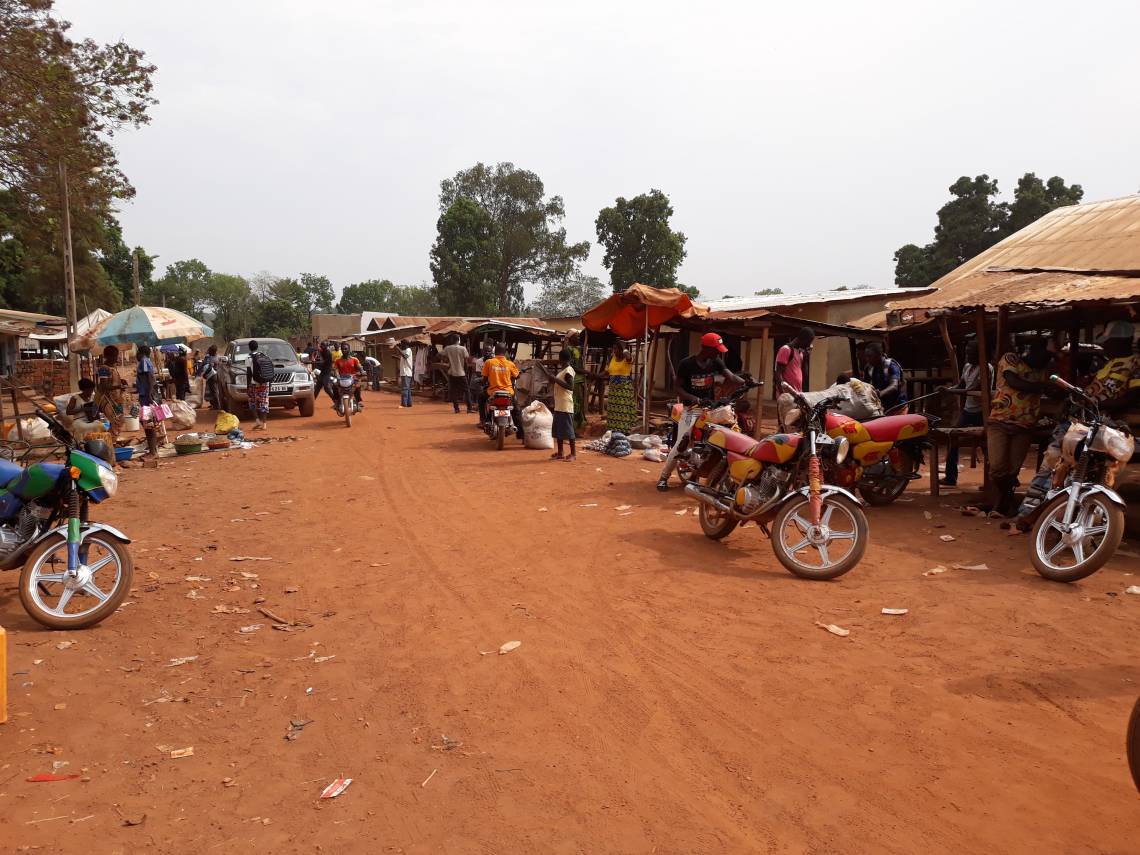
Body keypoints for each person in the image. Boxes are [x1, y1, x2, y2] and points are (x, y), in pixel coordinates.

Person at [1017, 322, 1140, 525]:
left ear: (1122, 340)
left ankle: (1075, 520)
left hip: (1104, 424)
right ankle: (1030, 512)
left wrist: (1101, 405)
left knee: (1092, 473)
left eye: (1109, 341)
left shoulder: (1135, 364)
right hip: (1080, 420)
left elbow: (1132, 396)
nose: (1106, 346)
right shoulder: (1106, 364)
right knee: (1053, 461)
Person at [986, 338, 1053, 516]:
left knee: (1012, 470)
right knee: (997, 468)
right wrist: (1043, 387)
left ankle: (1002, 504)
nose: (1047, 360)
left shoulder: (1042, 371)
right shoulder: (1010, 359)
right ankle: (1006, 500)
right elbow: (1014, 382)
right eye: (1046, 355)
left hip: (1024, 425)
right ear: (1034, 350)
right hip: (1000, 421)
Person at [940, 339, 992, 486]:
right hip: (968, 411)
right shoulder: (967, 366)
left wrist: (951, 391)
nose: (967, 356)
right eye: (967, 353)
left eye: (971, 353)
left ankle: (992, 480)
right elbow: (961, 384)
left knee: (987, 445)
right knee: (953, 438)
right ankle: (951, 477)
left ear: (979, 353)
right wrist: (949, 390)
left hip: (982, 412)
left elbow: (971, 389)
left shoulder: (986, 368)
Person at [674, 333, 745, 405]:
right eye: (716, 350)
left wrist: (746, 383)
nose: (718, 352)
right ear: (705, 348)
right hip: (690, 406)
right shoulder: (686, 364)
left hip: (709, 404)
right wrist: (692, 398)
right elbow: (677, 387)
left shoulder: (716, 361)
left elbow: (732, 377)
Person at [541, 349, 577, 461]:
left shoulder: (568, 371)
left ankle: (573, 454)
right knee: (558, 431)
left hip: (565, 405)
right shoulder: (563, 371)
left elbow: (571, 387)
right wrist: (553, 379)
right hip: (559, 405)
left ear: (561, 359)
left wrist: (555, 379)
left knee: (569, 430)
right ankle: (560, 452)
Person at [482, 343, 523, 438]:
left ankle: (484, 420)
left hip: (493, 392)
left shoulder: (489, 362)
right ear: (505, 352)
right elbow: (517, 376)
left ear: (495, 351)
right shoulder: (510, 363)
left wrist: (483, 383)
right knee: (516, 411)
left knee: (481, 398)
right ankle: (521, 434)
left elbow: (484, 379)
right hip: (508, 392)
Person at [600, 341, 636, 433]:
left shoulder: (627, 359)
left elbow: (629, 357)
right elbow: (608, 371)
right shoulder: (612, 358)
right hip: (613, 390)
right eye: (613, 348)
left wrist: (624, 350)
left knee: (623, 411)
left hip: (624, 390)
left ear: (621, 349)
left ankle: (624, 431)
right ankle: (614, 430)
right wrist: (596, 375)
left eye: (616, 348)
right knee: (613, 412)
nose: (614, 351)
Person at [861, 342, 907, 413]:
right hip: (883, 406)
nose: (867, 359)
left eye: (870, 356)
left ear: (879, 354)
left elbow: (894, 386)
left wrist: (880, 393)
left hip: (898, 406)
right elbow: (864, 385)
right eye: (866, 356)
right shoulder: (869, 368)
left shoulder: (891, 366)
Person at [136, 344, 162, 457]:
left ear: (140, 353)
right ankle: (153, 450)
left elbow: (150, 377)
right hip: (145, 395)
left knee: (148, 423)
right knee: (148, 423)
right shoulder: (147, 361)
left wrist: (150, 393)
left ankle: (153, 451)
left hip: (146, 396)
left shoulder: (144, 361)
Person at [775, 327, 814, 393]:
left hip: (797, 394)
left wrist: (806, 357)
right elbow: (778, 373)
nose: (809, 345)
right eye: (808, 342)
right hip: (787, 395)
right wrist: (782, 393)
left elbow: (805, 374)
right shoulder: (786, 349)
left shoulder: (800, 353)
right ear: (803, 339)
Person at [246, 339, 273, 431]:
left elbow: (249, 373)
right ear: (257, 347)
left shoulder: (248, 358)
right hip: (264, 383)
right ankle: (264, 424)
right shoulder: (264, 356)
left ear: (249, 348)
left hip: (254, 384)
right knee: (264, 402)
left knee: (252, 402)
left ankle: (257, 420)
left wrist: (248, 385)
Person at [442, 333, 473, 414]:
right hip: (461, 373)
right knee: (467, 391)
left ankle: (456, 408)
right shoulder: (463, 349)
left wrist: (447, 360)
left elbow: (440, 355)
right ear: (459, 340)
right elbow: (467, 360)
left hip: (452, 373)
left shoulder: (447, 348)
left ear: (452, 340)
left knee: (453, 391)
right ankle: (469, 408)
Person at [563, 330, 588, 429]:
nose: (578, 338)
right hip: (574, 379)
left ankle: (577, 426)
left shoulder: (577, 349)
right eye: (576, 337)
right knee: (574, 403)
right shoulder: (569, 350)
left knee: (579, 402)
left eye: (578, 336)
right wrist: (586, 372)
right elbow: (571, 366)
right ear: (570, 338)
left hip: (579, 379)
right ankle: (572, 427)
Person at [200, 344, 220, 409]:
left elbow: (208, 367)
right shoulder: (217, 357)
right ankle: (214, 404)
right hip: (215, 375)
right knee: (214, 390)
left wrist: (204, 374)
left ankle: (217, 406)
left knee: (214, 391)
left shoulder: (211, 358)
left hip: (212, 375)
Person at [398, 340, 414, 408]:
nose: (401, 345)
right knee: (407, 389)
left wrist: (398, 349)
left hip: (406, 372)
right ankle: (409, 403)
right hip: (406, 372)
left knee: (404, 388)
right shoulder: (405, 350)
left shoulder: (408, 350)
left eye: (402, 344)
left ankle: (404, 404)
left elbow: (405, 356)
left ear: (405, 344)